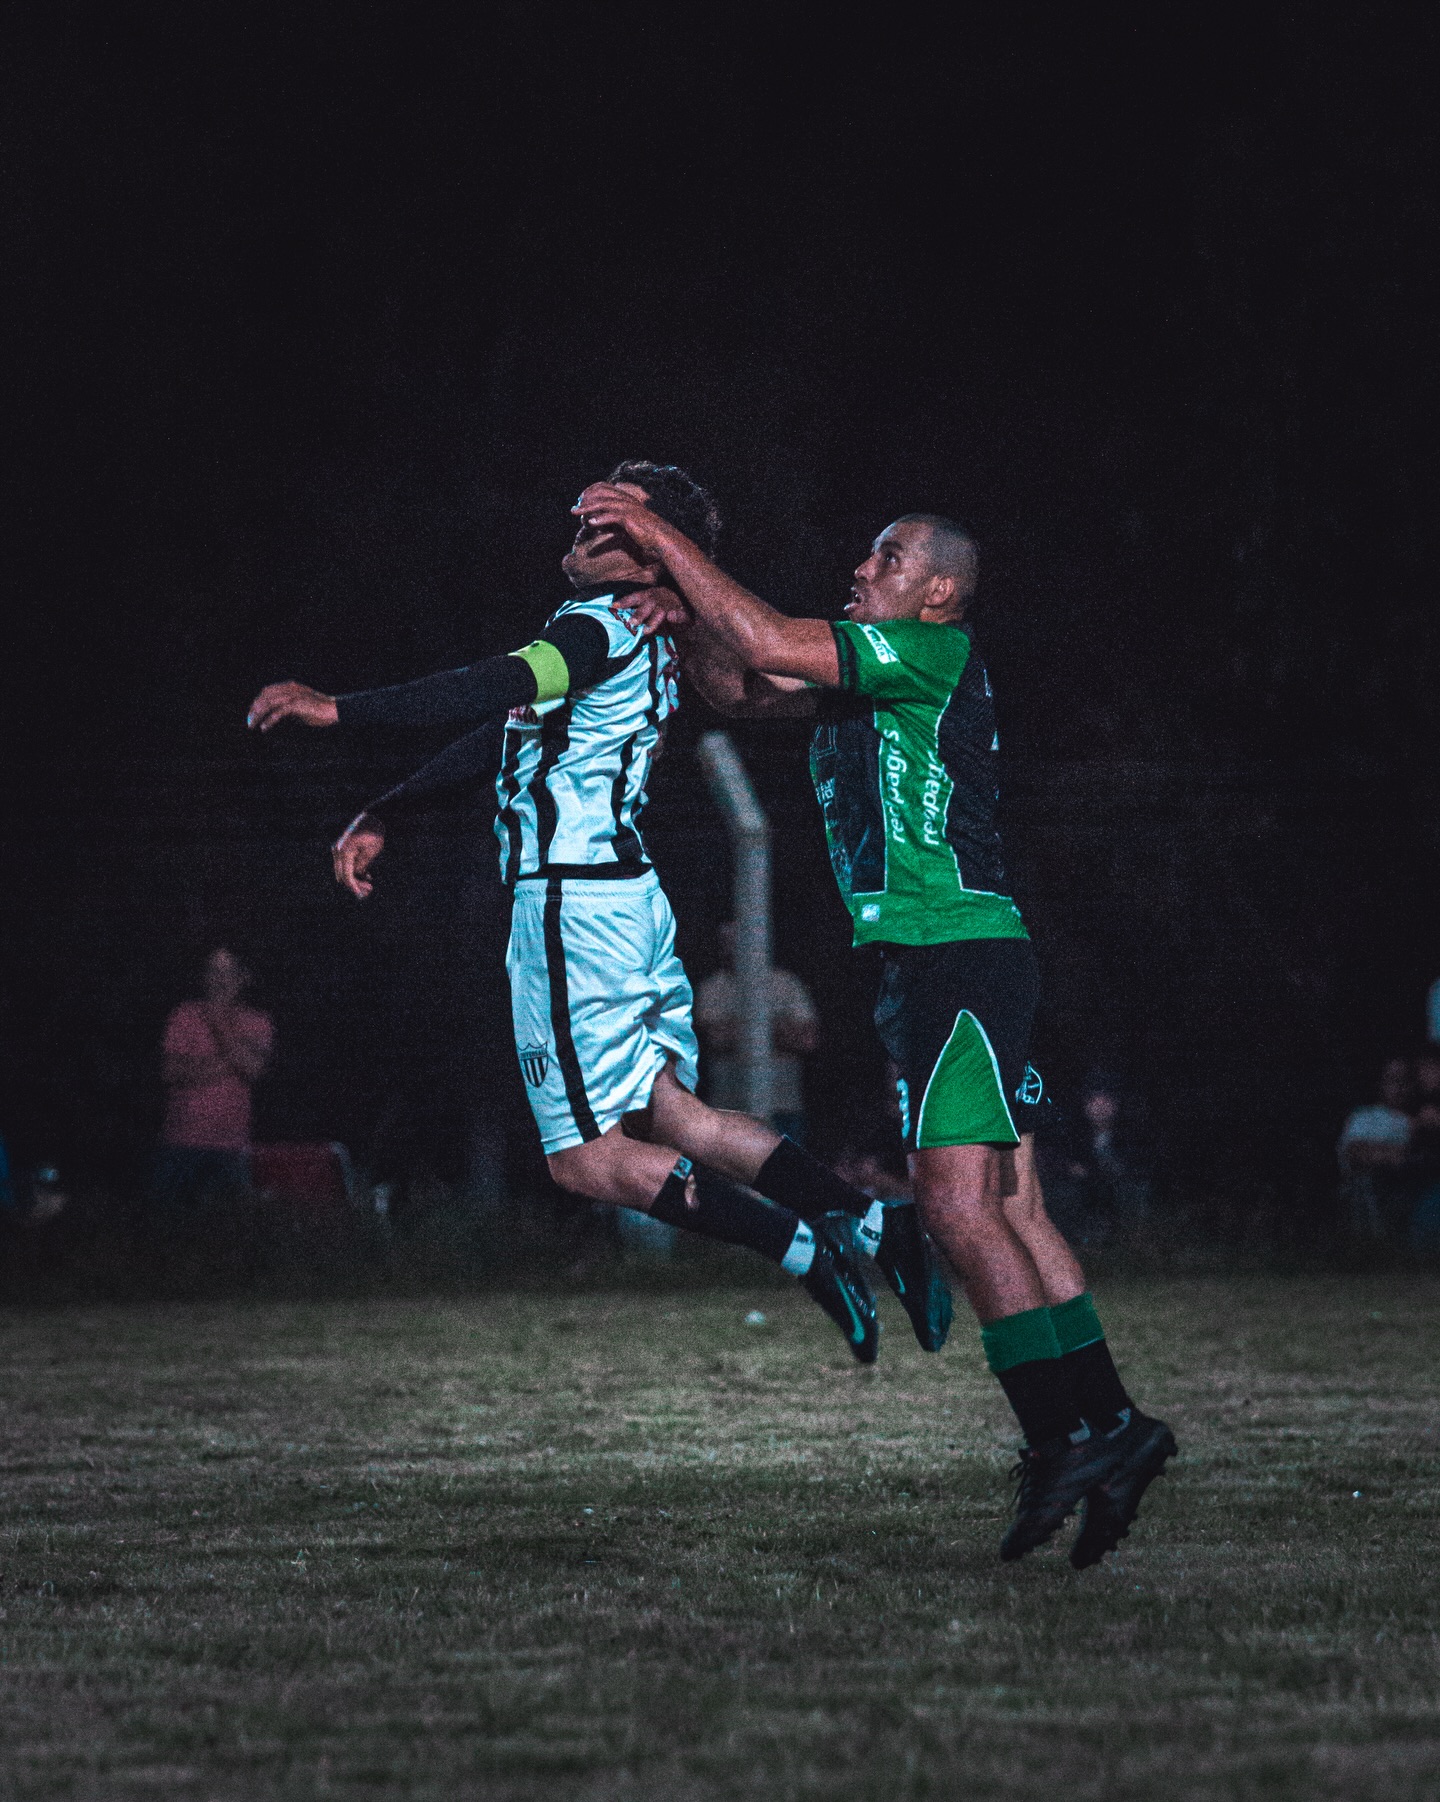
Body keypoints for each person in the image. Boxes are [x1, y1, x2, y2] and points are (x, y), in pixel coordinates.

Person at [573, 483, 1177, 1568]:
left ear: (937, 591)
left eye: (887, 556)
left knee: (952, 1211)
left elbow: (759, 633)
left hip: (960, 957)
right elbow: (742, 681)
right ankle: (1117, 1429)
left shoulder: (925, 653)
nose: (863, 567)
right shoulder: (866, 683)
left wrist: (659, 538)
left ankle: (1059, 1443)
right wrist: (677, 604)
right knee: (1015, 1208)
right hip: (945, 963)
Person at [247, 462, 953, 1362]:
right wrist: (390, 808)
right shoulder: (645, 634)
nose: (585, 529)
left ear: (655, 552)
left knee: (581, 1160)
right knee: (674, 1119)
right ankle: (872, 1227)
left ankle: (813, 1246)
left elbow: (495, 684)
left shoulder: (593, 623)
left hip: (572, 906)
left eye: (615, 522)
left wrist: (336, 710)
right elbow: (507, 728)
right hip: (624, 900)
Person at [153, 948, 272, 1217]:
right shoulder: (184, 1015)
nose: (220, 979)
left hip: (232, 1148)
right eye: (214, 971)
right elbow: (170, 1073)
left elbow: (253, 1071)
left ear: (243, 978)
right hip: (180, 1143)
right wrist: (232, 1060)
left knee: (229, 1237)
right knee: (166, 1233)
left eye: (227, 972)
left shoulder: (258, 1021)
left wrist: (217, 1022)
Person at [694, 922, 819, 1143]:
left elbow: (806, 1039)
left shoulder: (785, 984)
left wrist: (744, 1028)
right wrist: (778, 1026)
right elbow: (716, 1038)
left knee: (784, 1172)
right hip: (728, 1106)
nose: (731, 949)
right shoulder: (712, 988)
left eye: (738, 942)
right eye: (725, 943)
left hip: (783, 1104)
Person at [1338, 1056, 1413, 1241]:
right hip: (1369, 1187)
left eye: (1404, 1080)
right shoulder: (1365, 1116)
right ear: (1381, 1083)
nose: (1399, 1087)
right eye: (1393, 1080)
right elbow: (1355, 1153)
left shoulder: (1415, 1120)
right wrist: (1390, 1154)